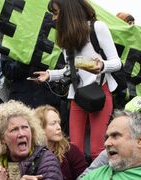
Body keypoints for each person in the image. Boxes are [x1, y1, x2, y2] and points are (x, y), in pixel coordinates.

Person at [34, 0, 122, 159]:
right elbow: (72, 68)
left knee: (98, 150)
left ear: (68, 11)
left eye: (55, 12)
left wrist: (102, 66)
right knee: (74, 150)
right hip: (78, 95)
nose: (54, 18)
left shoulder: (97, 28)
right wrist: (49, 75)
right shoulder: (66, 36)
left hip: (99, 91)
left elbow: (117, 63)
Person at [34, 105, 86, 180]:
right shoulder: (32, 154)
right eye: (53, 123)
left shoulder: (71, 150)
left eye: (59, 122)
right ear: (40, 127)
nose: (59, 127)